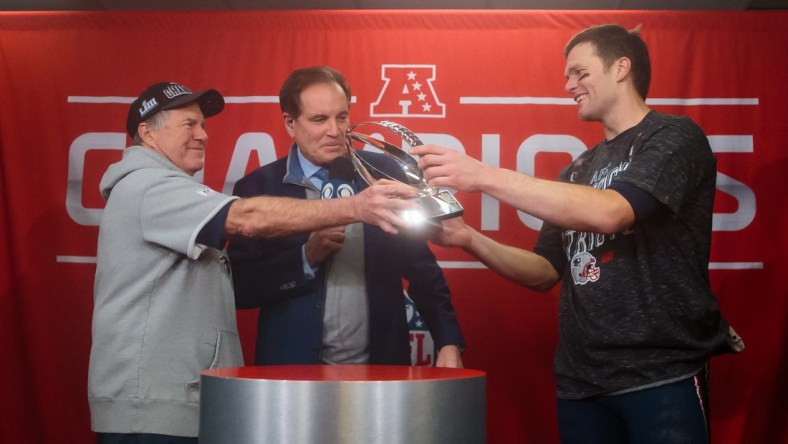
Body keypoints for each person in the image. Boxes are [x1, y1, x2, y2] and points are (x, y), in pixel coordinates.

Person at [411, 25, 743, 443]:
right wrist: (467, 238)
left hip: (660, 374)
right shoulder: (578, 170)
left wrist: (482, 175)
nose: (569, 85)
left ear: (621, 67)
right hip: (580, 383)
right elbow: (545, 271)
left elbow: (613, 213)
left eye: (580, 72)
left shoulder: (674, 136)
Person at [88, 81, 418, 443]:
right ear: (148, 134)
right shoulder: (148, 186)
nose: (202, 136)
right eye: (188, 125)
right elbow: (247, 218)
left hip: (170, 402)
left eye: (204, 126)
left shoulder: (163, 188)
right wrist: (355, 207)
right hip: (150, 410)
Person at [227, 66, 465, 368]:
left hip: (380, 373)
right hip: (291, 377)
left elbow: (421, 267)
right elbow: (239, 289)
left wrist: (448, 340)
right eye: (319, 119)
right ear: (290, 122)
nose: (334, 131)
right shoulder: (259, 187)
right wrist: (304, 259)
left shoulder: (384, 175)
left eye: (341, 117)